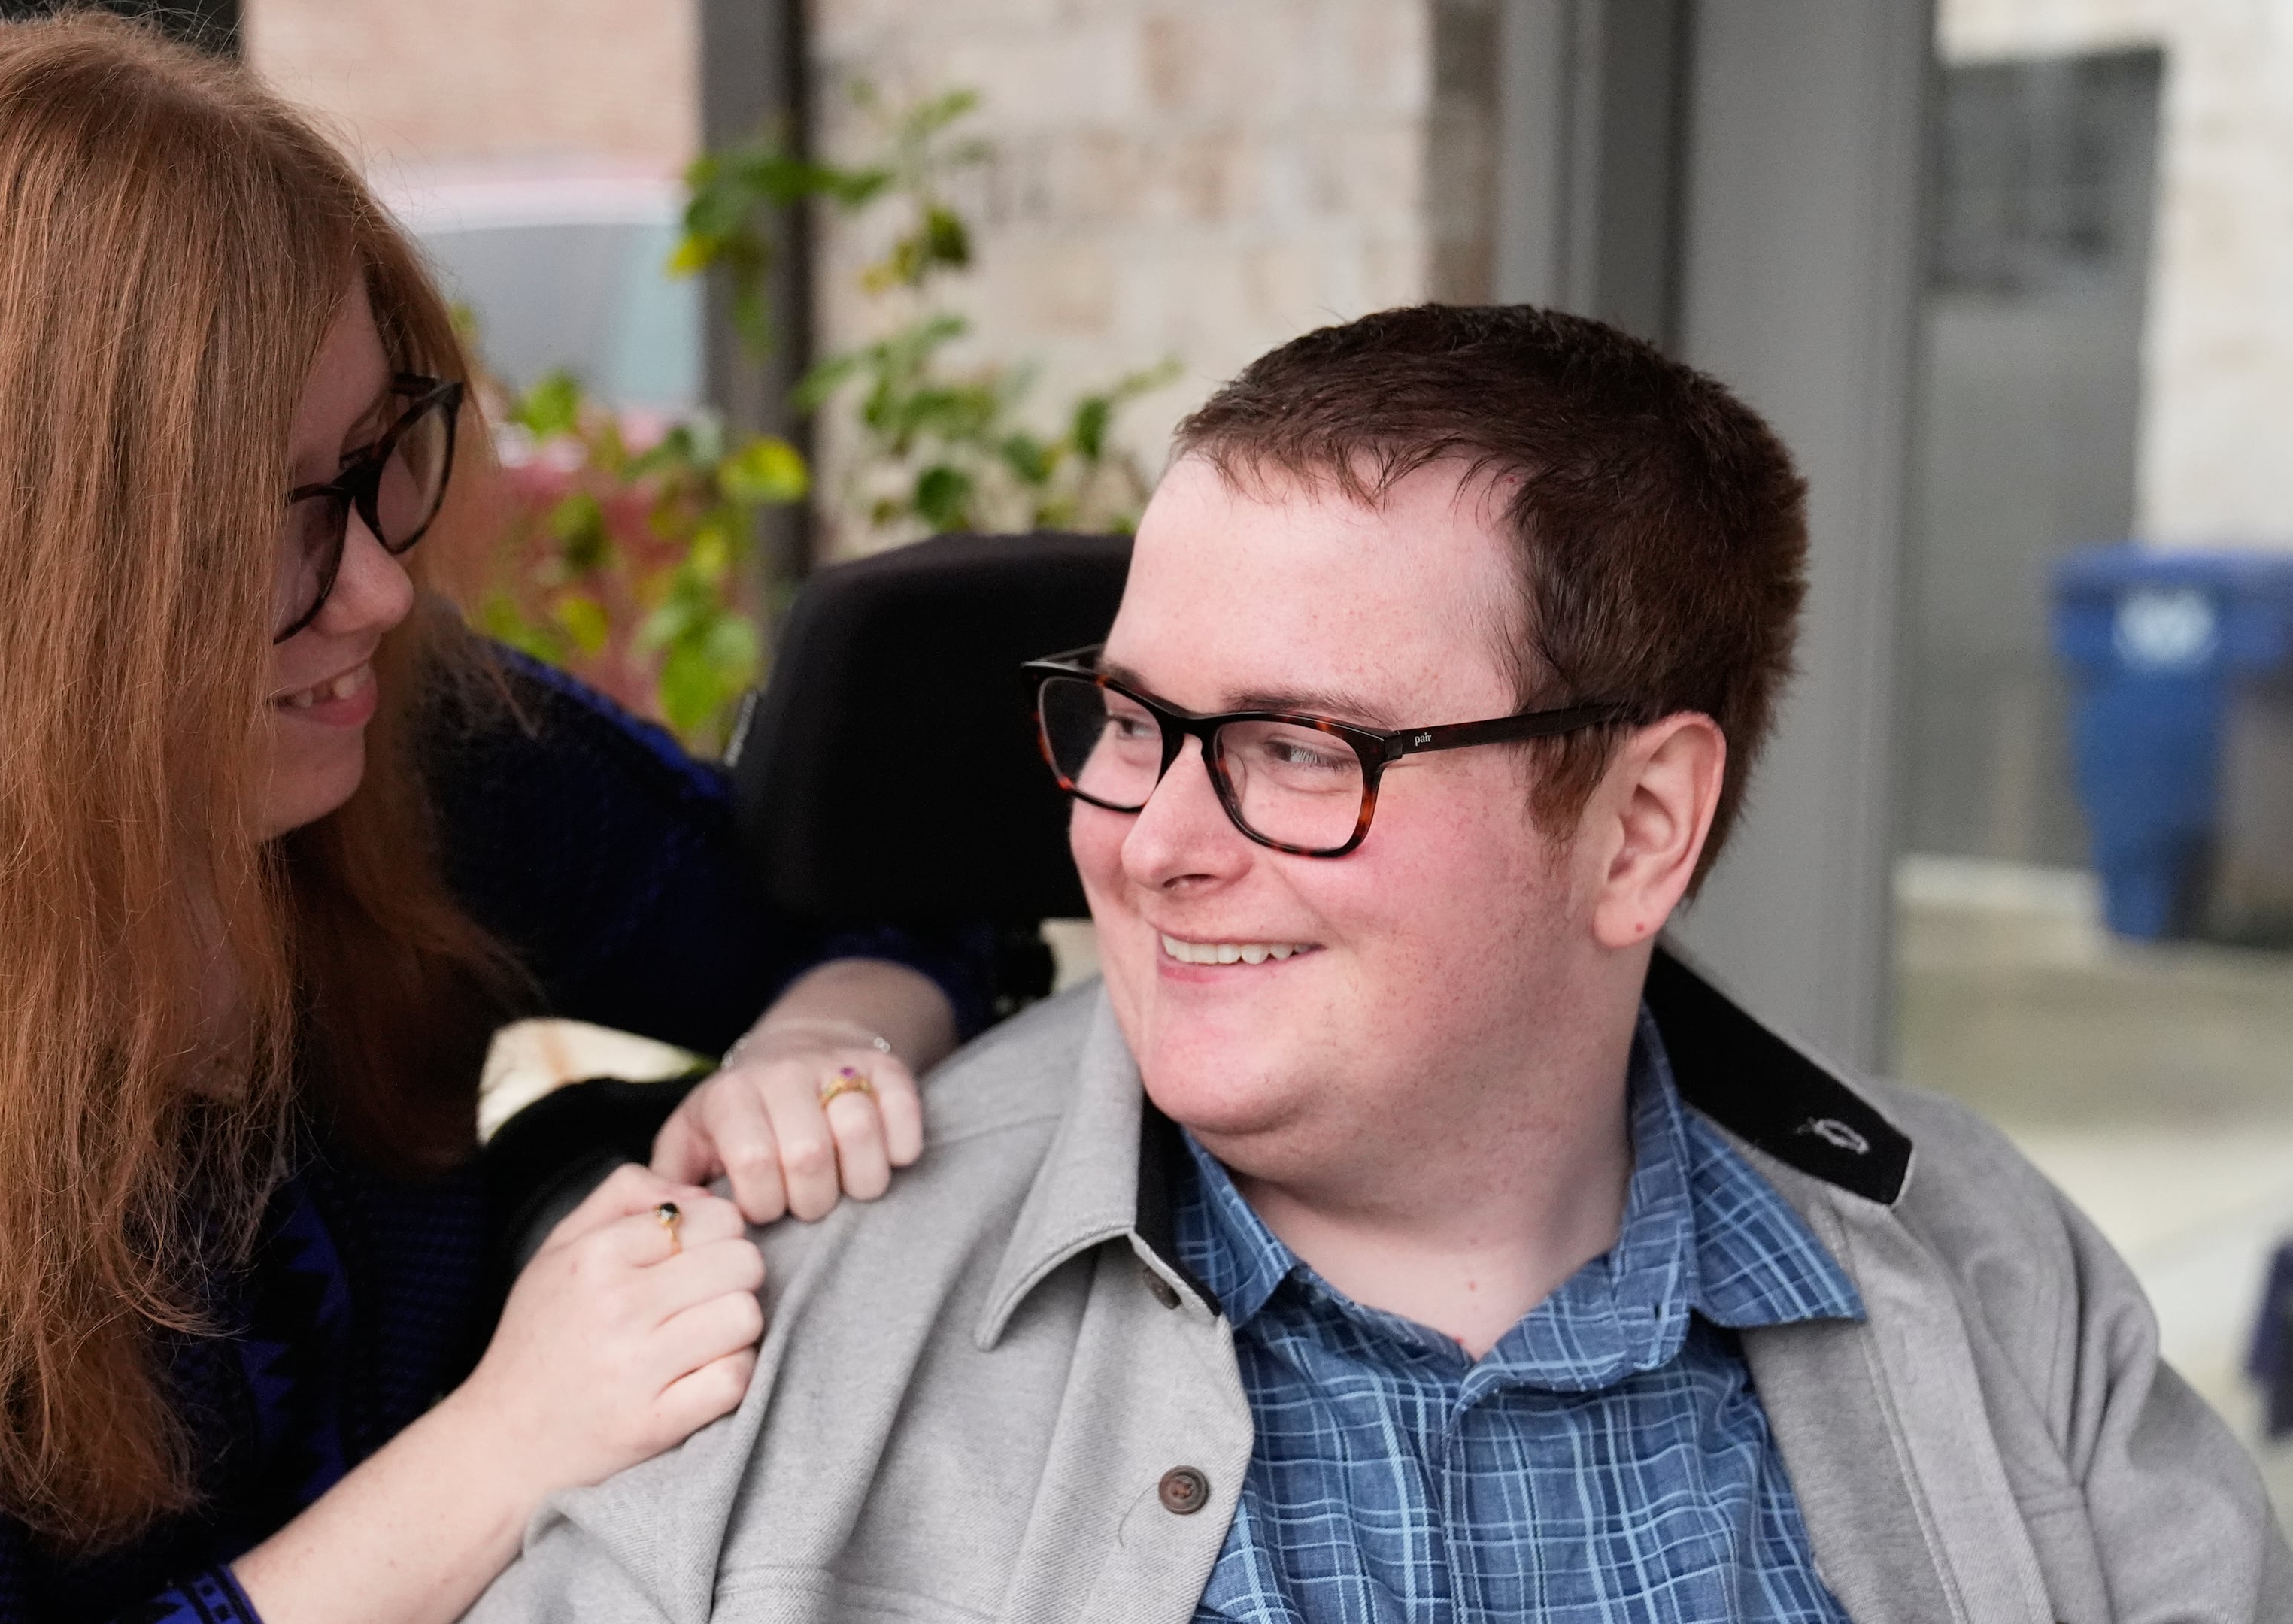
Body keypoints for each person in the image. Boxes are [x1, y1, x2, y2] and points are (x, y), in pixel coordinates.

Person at [467, 306, 2293, 1622]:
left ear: (1640, 829)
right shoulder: (779, 1322)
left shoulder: (1991, 1272)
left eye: (1299, 747)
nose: (1151, 836)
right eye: (1128, 719)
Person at [0, 17, 977, 1624]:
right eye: (264, 522)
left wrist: (812, 1049)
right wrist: (504, 1443)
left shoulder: (393, 741)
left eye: (367, 463)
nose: (380, 587)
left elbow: (900, 911)